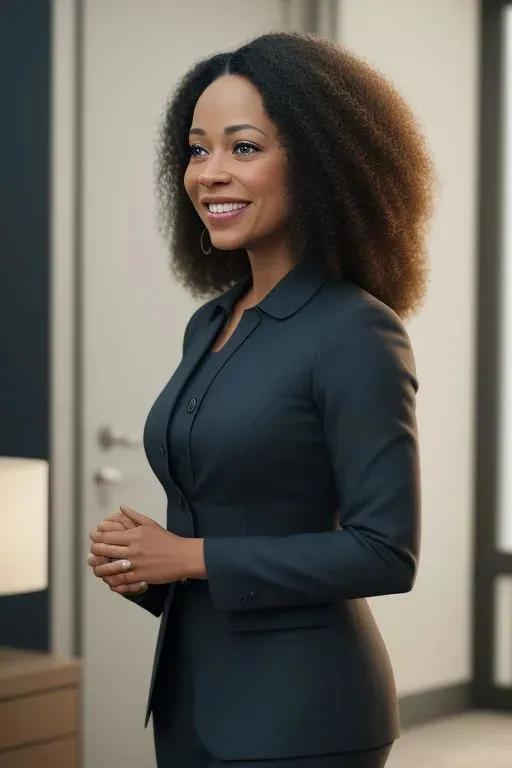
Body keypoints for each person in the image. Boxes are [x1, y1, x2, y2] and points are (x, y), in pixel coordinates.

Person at [86, 31, 435, 768]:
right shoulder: (210, 321)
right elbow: (226, 535)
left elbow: (385, 553)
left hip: (307, 718)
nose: (210, 173)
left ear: (319, 161)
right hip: (191, 704)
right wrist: (150, 569)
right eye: (197, 149)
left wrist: (186, 555)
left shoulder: (355, 332)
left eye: (243, 148)